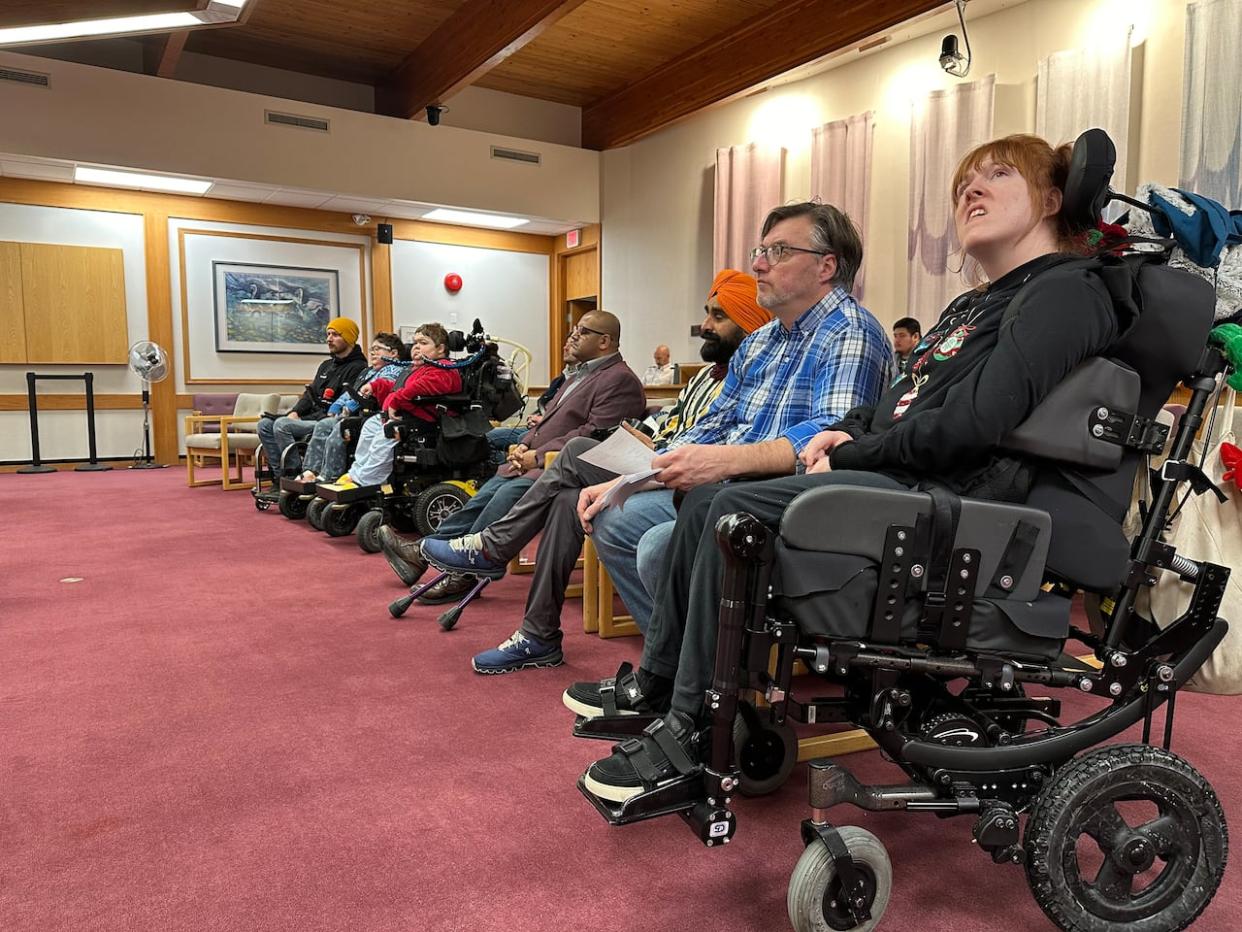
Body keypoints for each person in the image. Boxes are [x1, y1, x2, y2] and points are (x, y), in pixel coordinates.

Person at [572, 134, 1135, 804]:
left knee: (731, 508)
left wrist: (848, 450)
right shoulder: (974, 304)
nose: (971, 190)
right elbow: (897, 405)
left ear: (1053, 197)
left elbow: (972, 425)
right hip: (911, 480)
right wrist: (849, 431)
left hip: (960, 500)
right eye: (965, 181)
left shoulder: (1066, 292)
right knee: (707, 500)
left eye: (999, 174)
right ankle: (670, 687)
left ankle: (691, 731)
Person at [429, 200, 893, 674]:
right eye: (760, 249)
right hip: (716, 488)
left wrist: (708, 463)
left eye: (777, 251)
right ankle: (674, 668)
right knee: (594, 505)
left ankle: (681, 674)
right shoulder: (763, 341)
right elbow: (714, 424)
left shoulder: (849, 332)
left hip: (776, 501)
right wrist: (642, 475)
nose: (758, 263)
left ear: (826, 266)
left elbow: (828, 441)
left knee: (613, 503)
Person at [418, 270, 772, 674]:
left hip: (684, 477)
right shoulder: (704, 380)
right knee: (567, 496)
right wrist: (641, 437)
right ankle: (538, 633)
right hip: (654, 463)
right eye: (707, 314)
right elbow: (669, 423)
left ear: (750, 325)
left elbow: (720, 448)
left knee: (573, 453)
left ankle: (493, 550)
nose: (705, 326)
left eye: (718, 317)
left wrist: (651, 448)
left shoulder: (746, 383)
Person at [396, 310, 646, 605]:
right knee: (483, 497)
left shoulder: (620, 380)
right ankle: (425, 551)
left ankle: (461, 575)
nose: (574, 335)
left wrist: (537, 456)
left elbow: (593, 436)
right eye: (574, 329)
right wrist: (523, 446)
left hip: (563, 469)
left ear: (605, 341)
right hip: (539, 460)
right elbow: (545, 421)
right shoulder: (580, 374)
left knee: (504, 496)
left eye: (583, 331)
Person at [328, 324, 461, 490]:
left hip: (424, 421)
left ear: (440, 348)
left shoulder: (444, 368)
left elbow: (420, 387)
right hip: (403, 415)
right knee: (369, 426)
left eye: (423, 342)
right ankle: (356, 473)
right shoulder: (417, 368)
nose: (417, 347)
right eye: (415, 343)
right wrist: (377, 386)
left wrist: (396, 400)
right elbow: (399, 386)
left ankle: (367, 481)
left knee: (385, 435)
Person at [256, 317, 367, 477]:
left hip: (326, 421)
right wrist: (295, 413)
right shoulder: (326, 365)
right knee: (264, 425)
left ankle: (295, 474)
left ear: (348, 338)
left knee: (282, 425)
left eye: (335, 335)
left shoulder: (359, 368)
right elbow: (310, 395)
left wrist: (299, 419)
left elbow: (339, 406)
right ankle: (279, 475)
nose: (329, 339)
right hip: (309, 417)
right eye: (328, 334)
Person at [297, 332, 409, 483]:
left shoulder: (393, 370)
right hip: (354, 413)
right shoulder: (368, 371)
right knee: (323, 425)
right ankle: (311, 470)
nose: (373, 353)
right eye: (372, 349)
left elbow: (369, 393)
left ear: (393, 353)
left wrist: (349, 406)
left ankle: (330, 475)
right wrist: (336, 406)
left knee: (341, 428)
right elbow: (353, 390)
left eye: (378, 349)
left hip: (370, 413)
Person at [484, 338, 577, 465]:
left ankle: (508, 463)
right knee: (484, 436)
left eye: (571, 345)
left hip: (550, 431)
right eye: (565, 344)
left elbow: (569, 417)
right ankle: (506, 462)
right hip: (535, 428)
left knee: (499, 438)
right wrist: (534, 417)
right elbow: (544, 404)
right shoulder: (559, 380)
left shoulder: (582, 383)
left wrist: (544, 420)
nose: (565, 348)